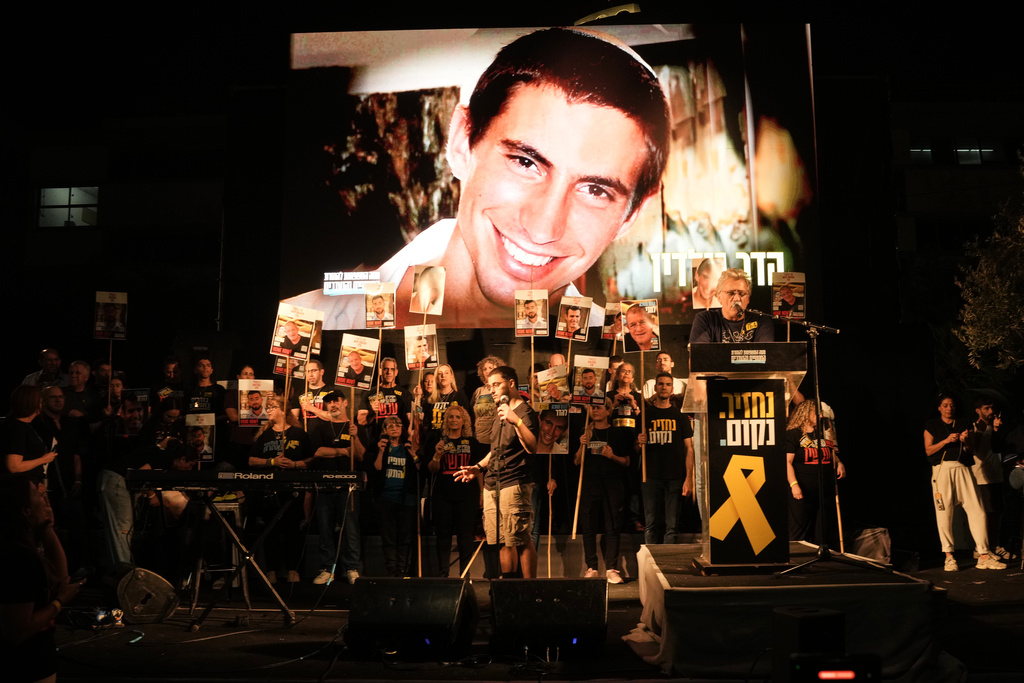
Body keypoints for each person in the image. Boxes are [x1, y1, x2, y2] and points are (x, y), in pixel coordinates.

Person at [287, 27, 670, 330]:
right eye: (525, 162)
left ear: (632, 214)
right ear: (461, 142)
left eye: (595, 190)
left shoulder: (625, 362)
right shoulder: (306, 323)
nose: (543, 229)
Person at [454, 366, 538, 578]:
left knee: (520, 538)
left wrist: (516, 420)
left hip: (515, 481)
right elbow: (496, 449)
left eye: (496, 384)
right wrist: (478, 467)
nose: (492, 390)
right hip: (493, 483)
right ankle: (508, 587)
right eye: (490, 386)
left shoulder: (524, 412)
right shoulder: (499, 412)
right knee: (502, 540)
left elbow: (532, 446)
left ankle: (530, 588)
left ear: (511, 383)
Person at [0, 476, 83, 683]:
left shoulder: (19, 548)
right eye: (37, 495)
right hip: (23, 665)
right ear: (25, 510)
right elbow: (17, 631)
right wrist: (59, 602)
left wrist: (47, 528)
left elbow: (60, 580)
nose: (43, 498)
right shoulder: (17, 557)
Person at [923, 394, 1005, 571]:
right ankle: (949, 557)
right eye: (945, 405)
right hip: (942, 470)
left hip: (963, 468)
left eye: (952, 405)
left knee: (978, 511)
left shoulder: (964, 422)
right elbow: (928, 450)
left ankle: (983, 555)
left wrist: (966, 439)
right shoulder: (932, 425)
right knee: (944, 514)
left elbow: (972, 449)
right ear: (939, 408)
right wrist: (946, 441)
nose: (949, 408)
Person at [248, 395, 313, 583]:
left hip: (293, 488)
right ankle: (271, 570)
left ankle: (293, 569)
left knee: (293, 529)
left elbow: (311, 459)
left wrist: (295, 465)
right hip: (270, 489)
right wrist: (272, 462)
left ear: (283, 410)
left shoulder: (299, 434)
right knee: (271, 530)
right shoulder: (264, 435)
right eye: (267, 407)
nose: (268, 410)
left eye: (272, 407)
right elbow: (251, 460)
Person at [307, 391, 365, 585]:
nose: (332, 405)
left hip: (349, 487)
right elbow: (318, 452)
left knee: (351, 530)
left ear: (345, 402)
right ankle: (327, 569)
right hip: (325, 486)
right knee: (325, 529)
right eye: (329, 402)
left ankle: (351, 568)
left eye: (335, 401)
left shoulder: (355, 428)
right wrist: (344, 451)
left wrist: (355, 438)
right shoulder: (321, 427)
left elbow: (360, 456)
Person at [576, 398, 632, 583]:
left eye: (599, 407)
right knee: (588, 527)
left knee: (612, 526)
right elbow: (576, 461)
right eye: (593, 407)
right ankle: (591, 568)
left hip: (612, 484)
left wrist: (611, 455)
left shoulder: (616, 433)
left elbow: (626, 462)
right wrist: (581, 445)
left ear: (608, 411)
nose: (595, 410)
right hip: (589, 484)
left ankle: (611, 569)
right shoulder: (586, 432)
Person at [427, 405, 485, 577]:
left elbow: (479, 470)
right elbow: (432, 470)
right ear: (446, 421)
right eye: (450, 417)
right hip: (443, 495)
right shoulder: (439, 441)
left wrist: (482, 493)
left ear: (464, 421)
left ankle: (465, 575)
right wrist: (437, 455)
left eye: (457, 417)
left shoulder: (472, 443)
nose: (454, 420)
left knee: (465, 536)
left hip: (467, 495)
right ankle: (443, 574)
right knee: (443, 535)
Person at [637, 373, 694, 545]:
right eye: (661, 384)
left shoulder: (680, 415)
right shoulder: (645, 415)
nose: (664, 387)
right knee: (650, 525)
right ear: (655, 387)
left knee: (672, 526)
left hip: (674, 476)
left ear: (672, 389)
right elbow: (635, 449)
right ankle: (650, 560)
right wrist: (639, 442)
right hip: (650, 475)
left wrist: (689, 478)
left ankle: (667, 559)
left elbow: (689, 448)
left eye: (668, 384)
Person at [785, 400, 846, 544]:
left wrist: (839, 463)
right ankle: (796, 556)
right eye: (816, 413)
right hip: (803, 489)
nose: (820, 416)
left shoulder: (823, 433)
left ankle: (821, 555)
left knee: (822, 531)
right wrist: (794, 485)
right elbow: (786, 462)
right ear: (805, 414)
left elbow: (830, 452)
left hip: (824, 490)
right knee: (798, 530)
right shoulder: (793, 435)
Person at [373, 416, 419, 577]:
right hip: (386, 498)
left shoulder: (408, 447)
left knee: (405, 536)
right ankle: (392, 570)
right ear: (384, 430)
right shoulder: (381, 447)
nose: (394, 427)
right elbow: (377, 468)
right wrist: (380, 451)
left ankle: (402, 569)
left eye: (398, 425)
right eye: (390, 426)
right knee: (389, 537)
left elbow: (419, 467)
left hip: (407, 499)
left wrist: (412, 452)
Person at [966, 398, 1011, 561]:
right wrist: (984, 430)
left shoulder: (995, 426)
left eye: (992, 408)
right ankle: (980, 548)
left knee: (997, 512)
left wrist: (997, 429)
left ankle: (993, 545)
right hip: (981, 477)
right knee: (986, 513)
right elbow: (975, 450)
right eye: (986, 408)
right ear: (978, 410)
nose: (991, 412)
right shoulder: (974, 427)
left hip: (996, 474)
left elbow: (1000, 447)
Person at [691, 268, 775, 343]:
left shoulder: (762, 321)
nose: (737, 298)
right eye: (731, 293)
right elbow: (699, 354)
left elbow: (765, 354)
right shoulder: (705, 319)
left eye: (742, 293)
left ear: (748, 298)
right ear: (719, 297)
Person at [2, 386, 57, 482]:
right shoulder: (17, 428)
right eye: (40, 402)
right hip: (19, 485)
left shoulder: (24, 426)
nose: (42, 405)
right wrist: (43, 459)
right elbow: (14, 466)